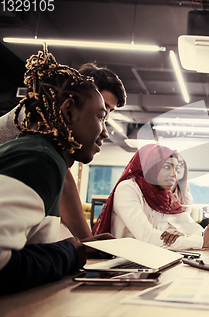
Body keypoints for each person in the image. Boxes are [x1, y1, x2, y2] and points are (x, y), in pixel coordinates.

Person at [0, 47, 112, 294]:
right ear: (69, 111)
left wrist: (85, 247)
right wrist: (70, 252)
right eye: (101, 117)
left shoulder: (47, 157)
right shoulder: (38, 158)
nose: (105, 132)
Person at [0, 62, 127, 240]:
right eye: (102, 109)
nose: (106, 118)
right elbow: (63, 180)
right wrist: (85, 241)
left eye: (109, 111)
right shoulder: (40, 115)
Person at [92, 144, 209, 250]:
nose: (174, 174)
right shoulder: (128, 189)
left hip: (152, 261)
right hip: (122, 266)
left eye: (175, 168)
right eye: (167, 167)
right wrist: (198, 241)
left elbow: (194, 230)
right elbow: (147, 237)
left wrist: (206, 233)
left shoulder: (165, 196)